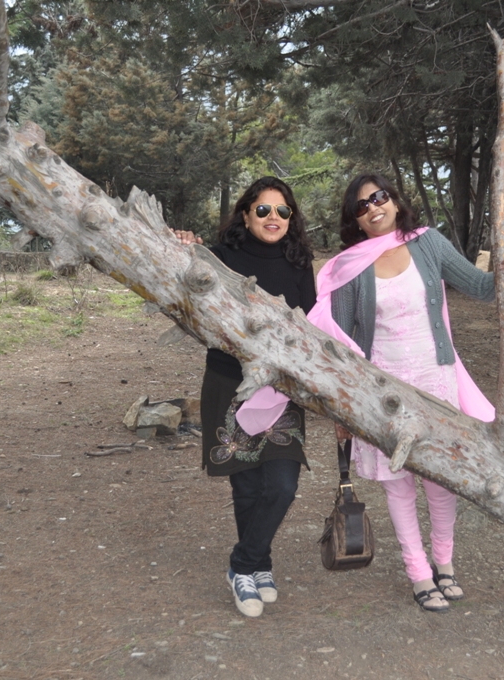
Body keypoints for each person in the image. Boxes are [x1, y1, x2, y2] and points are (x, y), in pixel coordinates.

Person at [325, 173, 504, 613]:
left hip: (437, 382)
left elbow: (478, 286)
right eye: (361, 206)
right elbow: (340, 339)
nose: (373, 208)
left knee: (442, 480)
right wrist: (342, 407)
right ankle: (418, 572)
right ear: (355, 221)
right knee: (398, 485)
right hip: (383, 391)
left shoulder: (428, 243)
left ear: (396, 201)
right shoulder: (351, 266)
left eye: (379, 197)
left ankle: (445, 563)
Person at [174, 177, 316, 618]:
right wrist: (179, 244)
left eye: (282, 211)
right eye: (263, 210)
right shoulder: (220, 258)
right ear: (245, 214)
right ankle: (260, 566)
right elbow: (183, 287)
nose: (274, 218)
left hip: (280, 388)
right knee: (248, 484)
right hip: (229, 383)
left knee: (283, 485)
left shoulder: (299, 261)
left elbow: (310, 322)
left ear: (291, 218)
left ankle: (243, 563)